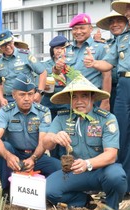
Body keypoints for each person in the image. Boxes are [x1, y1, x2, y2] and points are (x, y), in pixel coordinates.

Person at [43, 75, 127, 210]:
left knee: (117, 177)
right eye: (74, 97)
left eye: (84, 96)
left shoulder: (106, 119)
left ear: (92, 98)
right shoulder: (62, 117)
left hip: (102, 171)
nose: (79, 101)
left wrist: (87, 163)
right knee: (48, 191)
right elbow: (46, 143)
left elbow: (111, 155)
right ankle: (84, 201)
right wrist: (54, 137)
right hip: (75, 172)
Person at [0, 74, 61, 201]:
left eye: (30, 94)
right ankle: (7, 191)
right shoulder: (5, 111)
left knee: (58, 168)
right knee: (4, 147)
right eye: (22, 94)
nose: (27, 98)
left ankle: (45, 192)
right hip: (14, 155)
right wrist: (8, 156)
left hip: (37, 155)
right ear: (14, 95)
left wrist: (33, 158)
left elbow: (43, 141)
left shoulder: (43, 111)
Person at [84, 0, 130, 194]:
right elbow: (108, 64)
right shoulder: (122, 39)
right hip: (125, 85)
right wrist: (94, 63)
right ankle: (124, 182)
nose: (127, 15)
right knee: (123, 134)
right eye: (127, 11)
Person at [53, 13, 111, 111]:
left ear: (91, 29)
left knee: (92, 126)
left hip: (92, 97)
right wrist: (56, 68)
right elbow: (56, 73)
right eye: (75, 29)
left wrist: (105, 101)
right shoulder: (67, 50)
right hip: (72, 98)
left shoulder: (101, 48)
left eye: (82, 28)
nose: (78, 32)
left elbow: (107, 76)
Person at [0, 29, 47, 116]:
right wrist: (1, 98)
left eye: (9, 43)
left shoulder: (25, 55)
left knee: (32, 126)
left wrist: (39, 93)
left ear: (13, 41)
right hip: (10, 99)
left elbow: (42, 72)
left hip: (28, 98)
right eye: (3, 45)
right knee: (11, 127)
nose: (7, 47)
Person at [41, 36, 70, 159]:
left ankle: (65, 157)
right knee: (51, 132)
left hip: (65, 102)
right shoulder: (45, 65)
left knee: (65, 130)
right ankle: (54, 159)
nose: (59, 51)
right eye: (56, 48)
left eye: (62, 48)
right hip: (49, 102)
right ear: (52, 50)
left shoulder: (70, 64)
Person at [96, 11, 128, 112]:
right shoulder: (105, 44)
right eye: (112, 22)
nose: (115, 25)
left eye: (119, 21)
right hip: (110, 88)